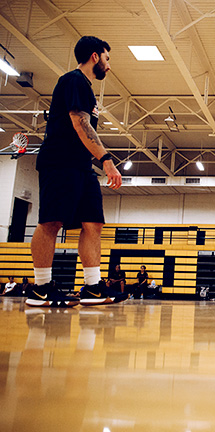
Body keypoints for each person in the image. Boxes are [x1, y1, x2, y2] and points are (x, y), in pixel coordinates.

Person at [26, 36, 127, 308]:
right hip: (59, 161)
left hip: (82, 166)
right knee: (51, 222)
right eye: (107, 58)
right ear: (95, 56)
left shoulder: (87, 88)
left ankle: (92, 287)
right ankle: (41, 288)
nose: (108, 65)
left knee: (93, 223)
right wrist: (106, 159)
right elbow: (79, 123)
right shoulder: (73, 81)